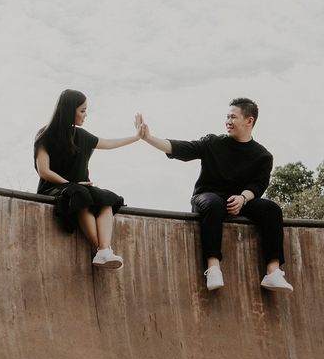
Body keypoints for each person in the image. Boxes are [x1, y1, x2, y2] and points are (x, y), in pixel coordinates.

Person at [140, 97, 293, 293]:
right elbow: (184, 149)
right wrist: (149, 138)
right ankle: (213, 267)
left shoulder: (262, 155)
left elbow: (259, 184)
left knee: (271, 209)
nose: (228, 121)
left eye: (233, 117)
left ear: (249, 121)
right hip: (208, 198)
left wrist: (243, 198)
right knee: (214, 204)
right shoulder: (214, 143)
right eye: (227, 117)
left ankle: (273, 272)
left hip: (239, 200)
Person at [34, 88, 142, 270]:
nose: (86, 115)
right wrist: (70, 184)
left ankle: (104, 251)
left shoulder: (82, 136)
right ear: (70, 111)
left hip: (79, 188)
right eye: (82, 110)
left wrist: (137, 137)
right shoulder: (46, 135)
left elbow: (109, 143)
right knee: (80, 195)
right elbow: (44, 171)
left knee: (108, 198)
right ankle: (101, 249)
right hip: (56, 188)